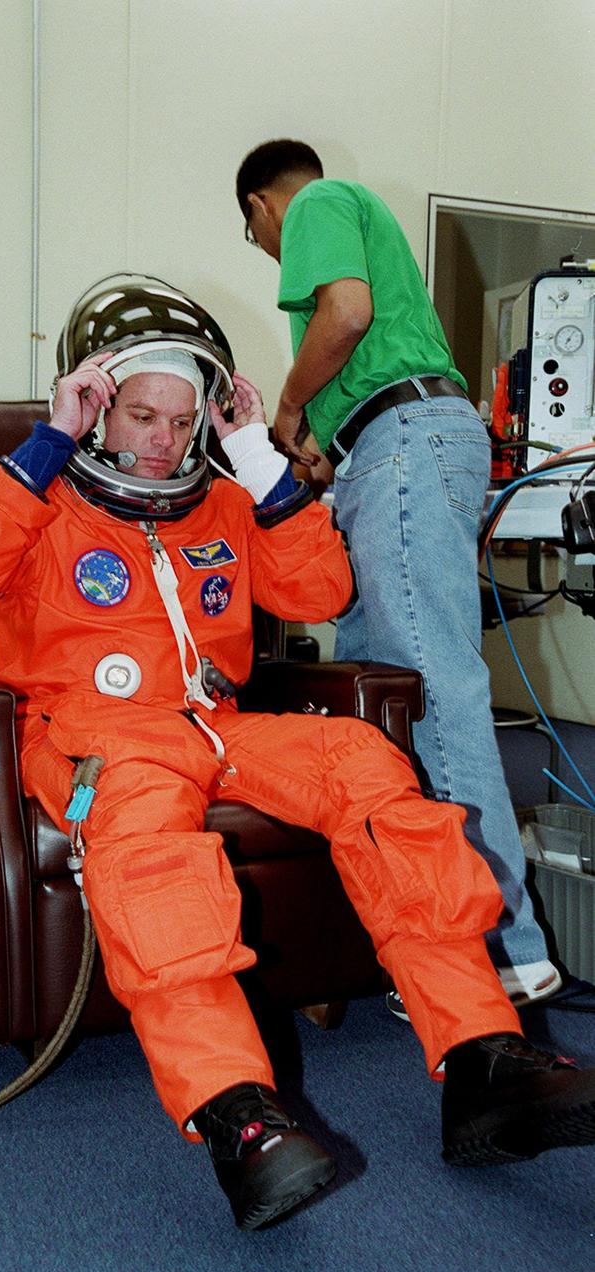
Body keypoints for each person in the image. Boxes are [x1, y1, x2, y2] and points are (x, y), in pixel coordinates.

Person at [0, 277, 595, 1231]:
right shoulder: (32, 496)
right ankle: (238, 1114)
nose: (160, 437)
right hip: (95, 736)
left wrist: (253, 457)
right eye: (140, 414)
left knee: (368, 772)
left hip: (217, 727)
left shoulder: (225, 504)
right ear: (96, 405)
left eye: (179, 420)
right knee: (154, 855)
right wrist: (47, 443)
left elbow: (317, 591)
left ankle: (483, 1058)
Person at [235, 139, 560, 1005]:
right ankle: (419, 927)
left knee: (430, 689)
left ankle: (500, 944)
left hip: (405, 444)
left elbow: (342, 313)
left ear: (260, 207)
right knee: (369, 705)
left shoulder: (314, 202)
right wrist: (324, 457)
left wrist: (292, 406)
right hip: (390, 450)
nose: (270, 255)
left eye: (254, 238)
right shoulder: (354, 218)